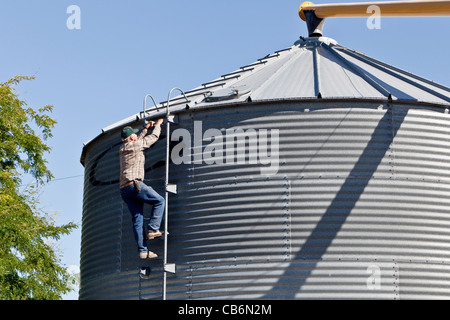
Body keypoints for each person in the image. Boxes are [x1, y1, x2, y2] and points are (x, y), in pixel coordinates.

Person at [119, 118, 165, 260]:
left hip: (124, 190)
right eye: (135, 134)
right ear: (131, 137)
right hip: (135, 185)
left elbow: (137, 140)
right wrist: (157, 126)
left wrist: (145, 129)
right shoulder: (136, 145)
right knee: (159, 201)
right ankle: (153, 229)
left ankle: (143, 251)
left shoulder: (123, 148)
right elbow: (153, 138)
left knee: (137, 220)